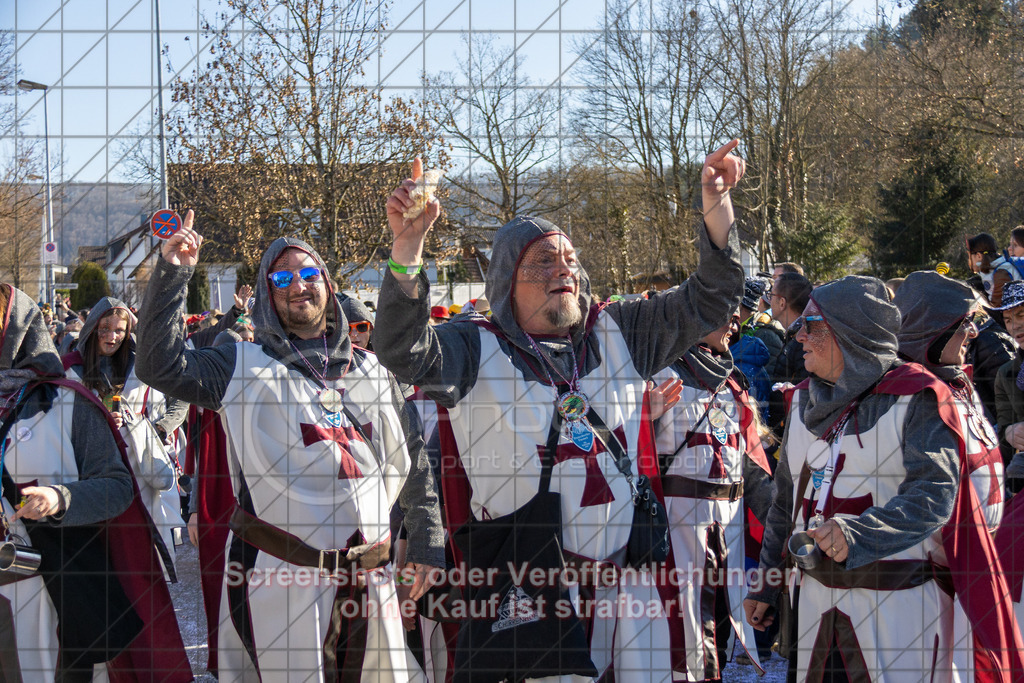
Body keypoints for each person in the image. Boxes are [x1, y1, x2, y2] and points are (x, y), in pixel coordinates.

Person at [374, 143, 746, 680]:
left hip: (629, 592)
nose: (563, 269)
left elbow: (710, 301)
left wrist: (717, 207)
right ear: (506, 279)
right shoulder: (473, 348)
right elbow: (401, 349)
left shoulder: (621, 332)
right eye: (543, 260)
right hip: (532, 598)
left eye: (570, 259)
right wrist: (407, 249)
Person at [135, 214, 443, 680]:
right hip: (283, 579)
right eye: (282, 277)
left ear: (328, 283)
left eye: (309, 273)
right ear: (266, 291)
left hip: (373, 582)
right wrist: (173, 273)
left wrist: (426, 540)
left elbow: (415, 462)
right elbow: (158, 366)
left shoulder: (372, 370)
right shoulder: (238, 364)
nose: (298, 284)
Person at [743, 275, 1023, 682]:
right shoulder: (803, 401)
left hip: (901, 615)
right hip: (817, 611)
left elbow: (934, 496)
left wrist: (860, 534)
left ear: (848, 333)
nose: (798, 336)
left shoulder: (918, 397)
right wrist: (766, 585)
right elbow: (785, 505)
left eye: (811, 326)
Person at [0, 283, 190, 681]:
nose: (111, 336)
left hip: (46, 587)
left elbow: (116, 486)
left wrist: (60, 497)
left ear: (14, 330)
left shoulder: (66, 400)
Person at [652, 310, 774, 680]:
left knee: (720, 617)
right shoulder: (661, 373)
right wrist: (647, 413)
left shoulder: (732, 381)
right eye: (725, 316)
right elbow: (628, 447)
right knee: (681, 625)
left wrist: (776, 521)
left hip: (729, 526)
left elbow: (750, 462)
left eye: (737, 317)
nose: (734, 325)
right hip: (679, 525)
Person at [63, 297, 189, 567]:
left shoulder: (144, 365)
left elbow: (181, 397)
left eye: (119, 330)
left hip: (141, 466)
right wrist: (96, 421)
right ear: (91, 329)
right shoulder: (70, 370)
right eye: (104, 328)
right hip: (93, 468)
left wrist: (159, 428)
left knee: (143, 554)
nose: (112, 336)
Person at [765, 272, 813, 440]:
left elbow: (805, 394)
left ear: (782, 302)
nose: (768, 300)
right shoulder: (794, 336)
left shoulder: (803, 342)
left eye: (771, 295)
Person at [967, 232, 1021, 307]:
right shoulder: (993, 270)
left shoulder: (1001, 273)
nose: (969, 261)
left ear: (979, 256)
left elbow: (997, 306)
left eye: (970, 256)